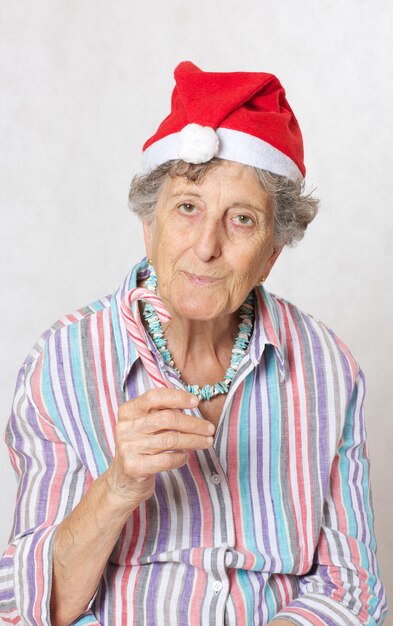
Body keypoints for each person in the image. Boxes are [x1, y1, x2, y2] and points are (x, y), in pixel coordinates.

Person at [0, 61, 388, 626]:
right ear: (148, 223)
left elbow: (352, 587)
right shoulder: (60, 364)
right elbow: (29, 606)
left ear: (272, 253)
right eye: (187, 207)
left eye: (242, 220)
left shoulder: (328, 367)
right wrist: (119, 486)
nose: (206, 246)